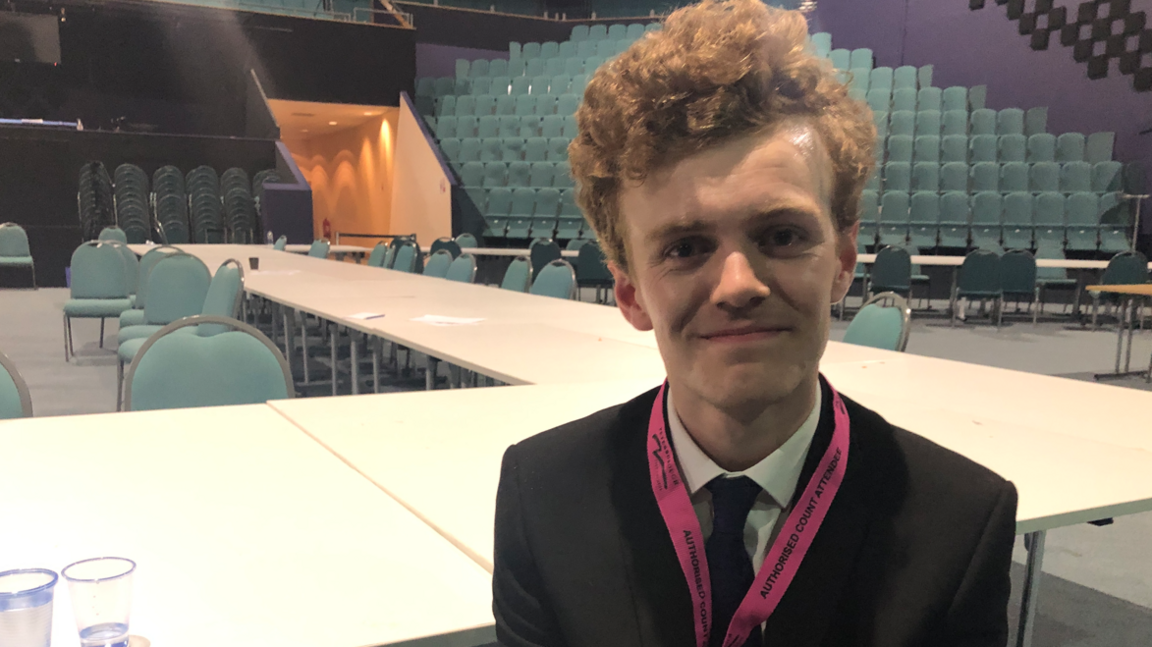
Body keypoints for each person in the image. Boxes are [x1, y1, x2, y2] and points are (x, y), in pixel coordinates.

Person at [491, 2, 1018, 646]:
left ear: (844, 260)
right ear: (629, 291)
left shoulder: (961, 520)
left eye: (783, 234)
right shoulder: (542, 496)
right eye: (685, 247)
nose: (739, 284)